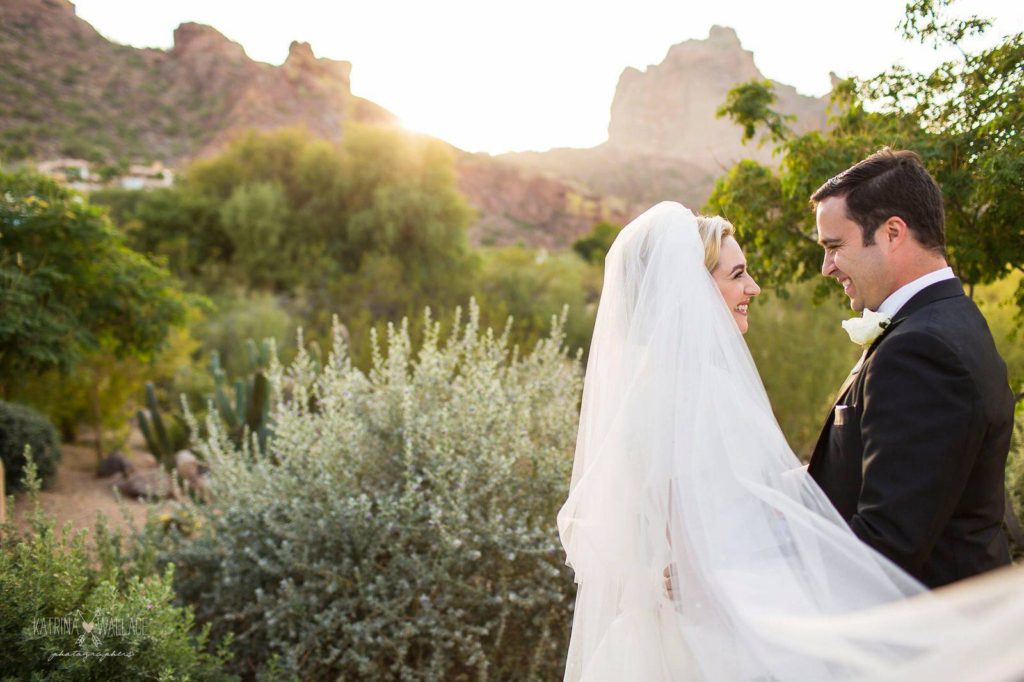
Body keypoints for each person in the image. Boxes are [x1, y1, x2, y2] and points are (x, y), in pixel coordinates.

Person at [557, 198, 1024, 681]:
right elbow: (699, 538)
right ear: (690, 289)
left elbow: (723, 505)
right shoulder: (700, 393)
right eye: (737, 274)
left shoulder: (658, 391)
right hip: (717, 637)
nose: (752, 288)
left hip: (690, 628)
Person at [808, 148, 1013, 588]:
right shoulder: (946, 319)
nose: (826, 267)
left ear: (892, 233)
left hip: (935, 637)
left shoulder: (921, 350)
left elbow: (886, 544)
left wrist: (740, 579)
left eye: (834, 246)